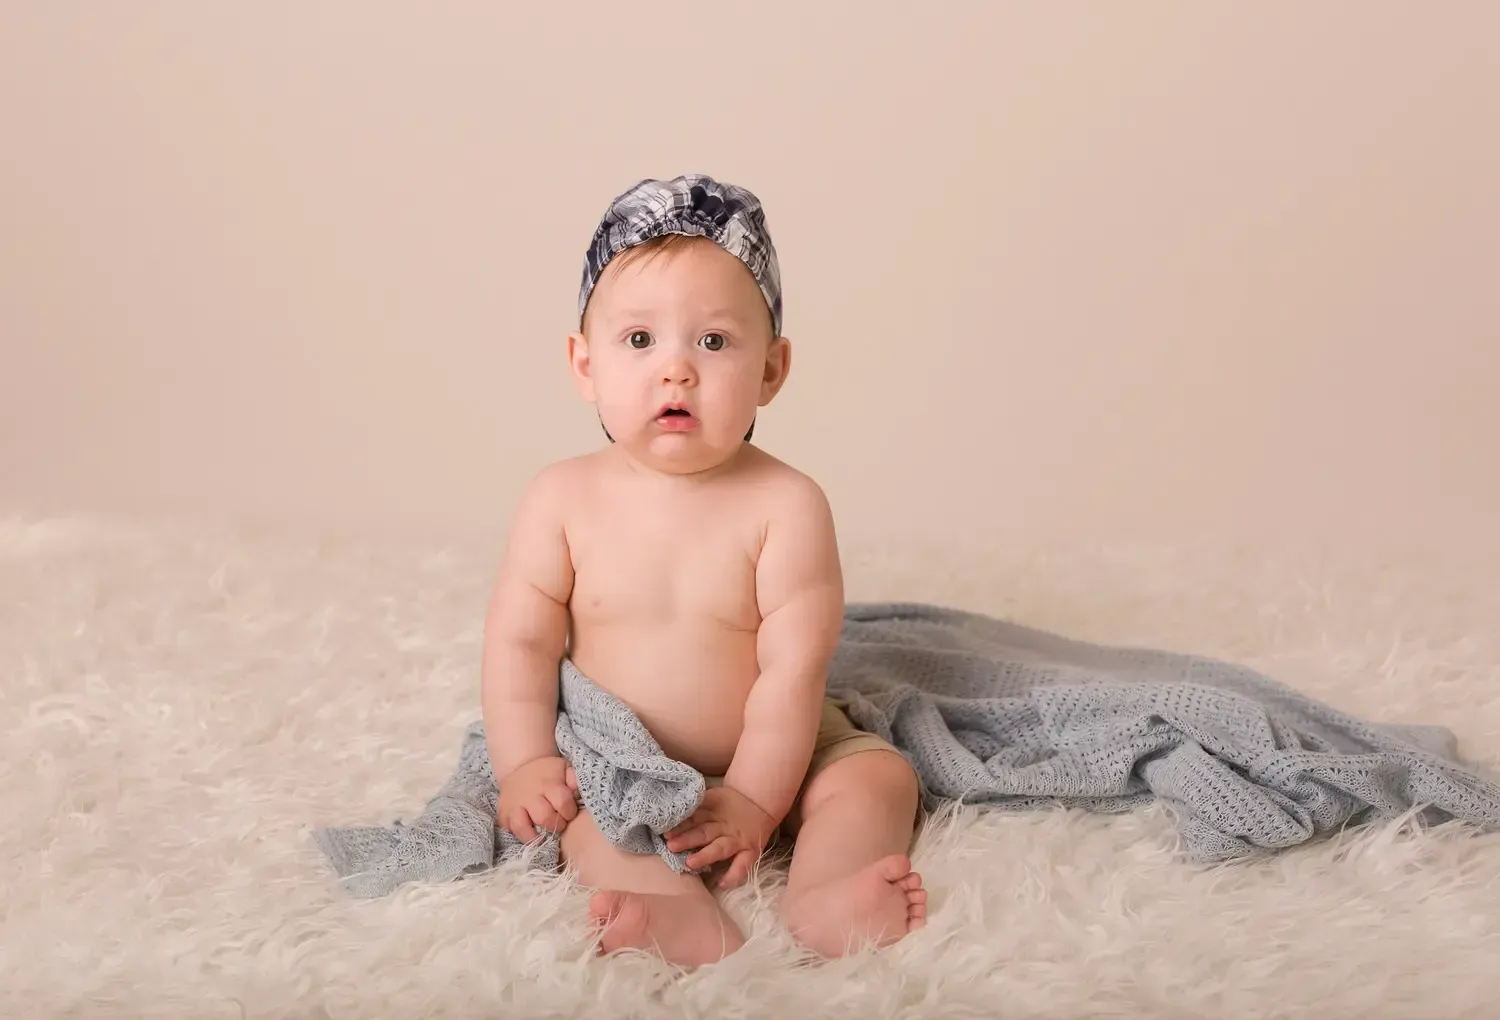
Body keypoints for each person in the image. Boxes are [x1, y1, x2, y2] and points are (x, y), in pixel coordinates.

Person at [479, 175, 925, 966]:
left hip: (788, 745)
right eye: (640, 341)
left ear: (771, 371)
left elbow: (793, 673)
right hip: (626, 759)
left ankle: (828, 892)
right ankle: (676, 914)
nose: (675, 371)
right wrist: (526, 763)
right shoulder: (561, 499)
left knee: (874, 780)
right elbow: (520, 646)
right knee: (592, 823)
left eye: (713, 342)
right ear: (584, 364)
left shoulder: (786, 504)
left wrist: (755, 801)